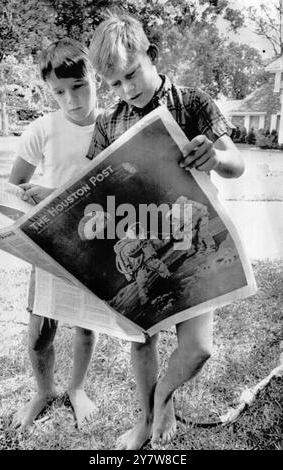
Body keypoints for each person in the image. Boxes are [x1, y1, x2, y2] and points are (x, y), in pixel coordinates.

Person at [87, 13, 245, 449]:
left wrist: (214, 158)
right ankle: (146, 418)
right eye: (115, 83)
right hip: (138, 236)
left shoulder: (192, 103)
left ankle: (162, 397)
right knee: (143, 338)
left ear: (151, 56)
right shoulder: (108, 123)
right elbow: (94, 185)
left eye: (132, 74)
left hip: (191, 235)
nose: (128, 89)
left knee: (198, 349)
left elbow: (236, 164)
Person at [9, 38, 99, 430]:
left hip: (95, 244)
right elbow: (15, 188)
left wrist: (59, 195)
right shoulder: (42, 128)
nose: (72, 99)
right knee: (39, 332)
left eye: (79, 86)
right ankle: (43, 391)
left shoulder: (113, 126)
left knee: (85, 324)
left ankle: (77, 389)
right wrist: (35, 203)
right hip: (49, 248)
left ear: (95, 76)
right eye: (59, 92)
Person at [114, 223, 170, 305]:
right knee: (142, 282)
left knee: (161, 267)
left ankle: (169, 279)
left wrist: (165, 241)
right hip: (138, 266)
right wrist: (139, 240)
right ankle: (144, 300)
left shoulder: (137, 238)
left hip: (148, 259)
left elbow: (153, 245)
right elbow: (130, 251)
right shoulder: (123, 245)